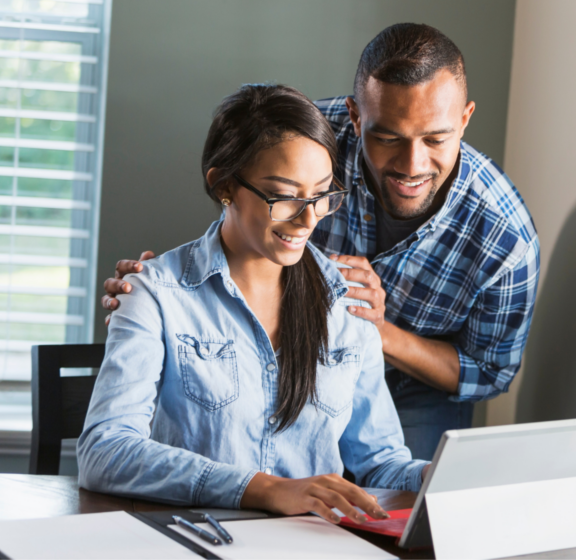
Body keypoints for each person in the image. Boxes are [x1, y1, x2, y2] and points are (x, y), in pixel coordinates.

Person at [102, 24, 541, 460]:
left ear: (464, 119)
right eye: (387, 137)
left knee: (413, 512)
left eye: (436, 139)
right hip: (284, 357)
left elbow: (486, 372)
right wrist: (165, 289)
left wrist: (376, 332)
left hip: (416, 390)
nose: (412, 164)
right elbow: (243, 212)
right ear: (355, 116)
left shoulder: (505, 238)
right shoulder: (304, 135)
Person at [78, 84, 426, 522]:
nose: (308, 219)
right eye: (284, 198)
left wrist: (441, 476)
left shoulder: (345, 302)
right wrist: (263, 490)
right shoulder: (154, 296)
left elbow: (380, 464)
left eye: (321, 195)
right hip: (196, 540)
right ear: (223, 185)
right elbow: (104, 452)